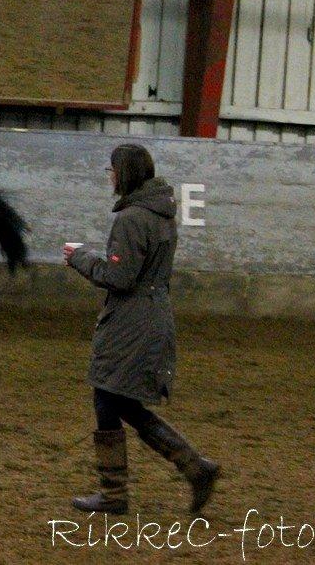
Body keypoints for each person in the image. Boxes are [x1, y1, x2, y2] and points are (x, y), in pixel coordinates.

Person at [63, 144, 219, 515]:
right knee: (119, 401)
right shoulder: (161, 214)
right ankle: (193, 468)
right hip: (152, 316)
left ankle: (122, 492)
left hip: (132, 323)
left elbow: (119, 277)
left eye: (112, 169)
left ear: (125, 173)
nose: (110, 175)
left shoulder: (132, 218)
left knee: (109, 398)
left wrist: (79, 258)